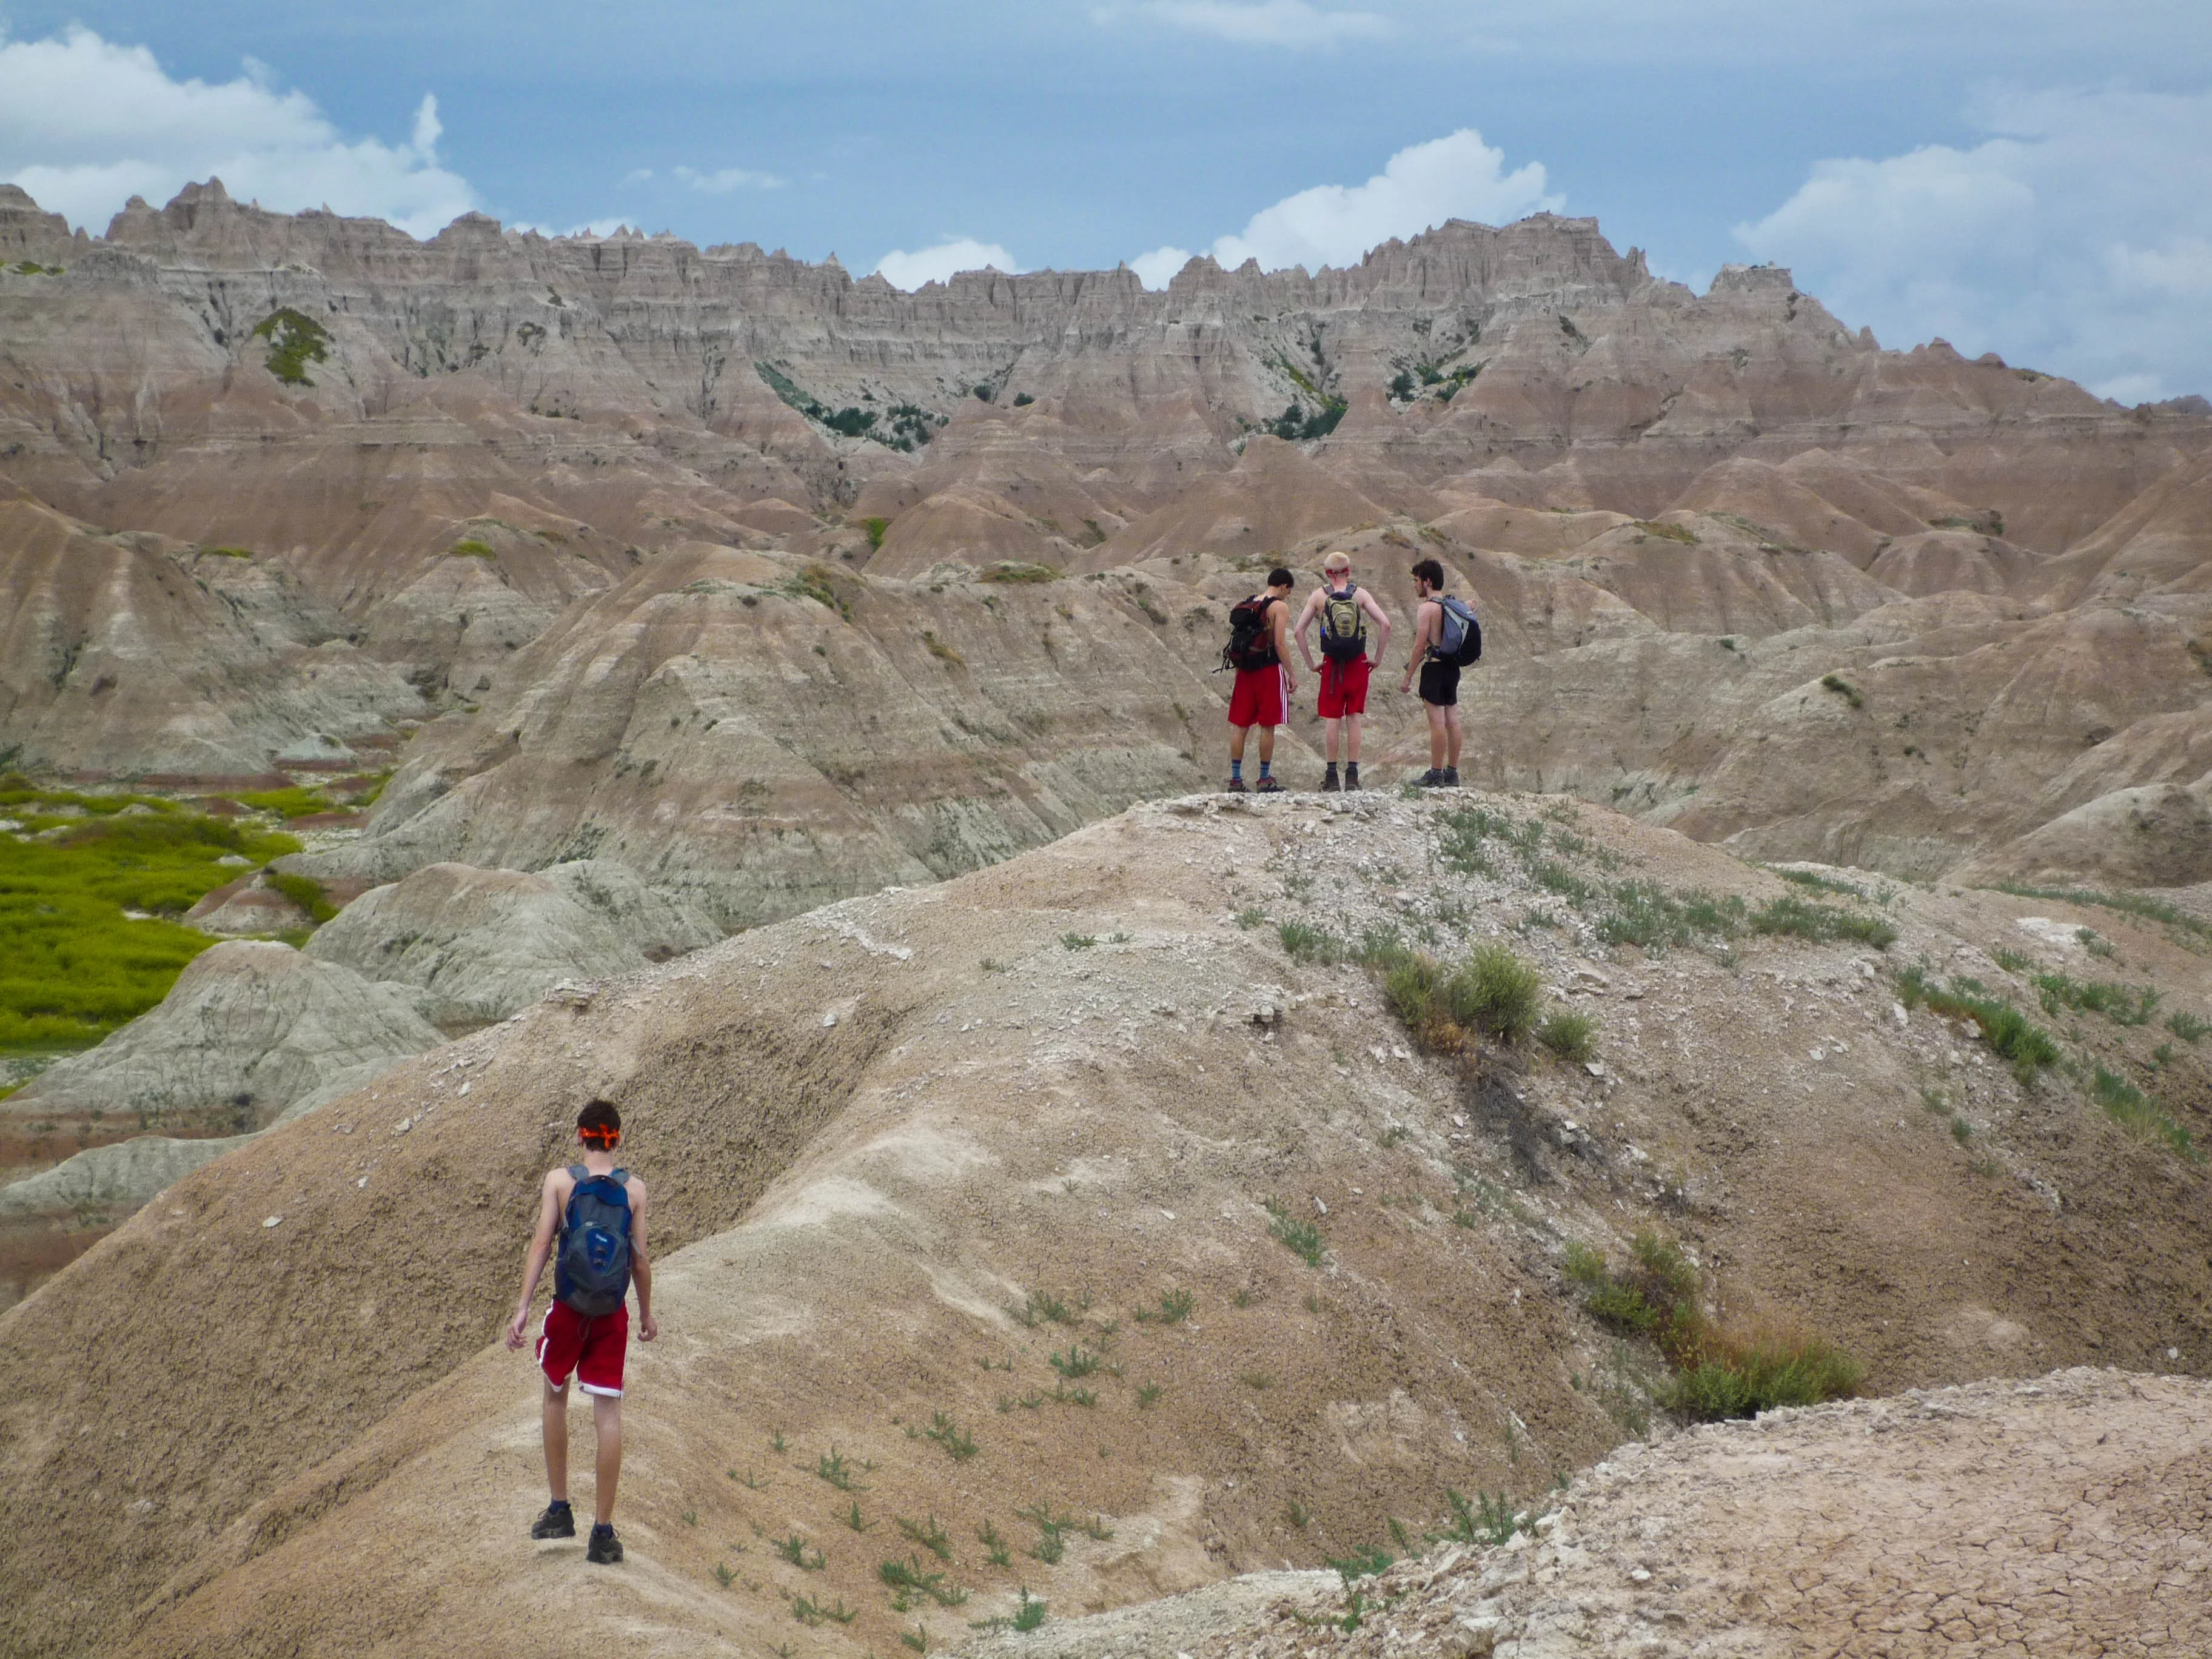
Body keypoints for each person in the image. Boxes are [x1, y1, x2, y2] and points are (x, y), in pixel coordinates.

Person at [506, 1098, 658, 1564]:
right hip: (611, 1314)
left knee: (555, 1395)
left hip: (569, 1309)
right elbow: (639, 1260)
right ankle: (603, 1533)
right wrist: (647, 1314)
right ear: (617, 1137)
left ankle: (559, 1509)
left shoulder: (559, 1182)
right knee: (608, 1414)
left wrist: (524, 1306)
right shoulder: (635, 1191)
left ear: (580, 1135)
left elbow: (542, 1243)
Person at [1292, 550, 1392, 791]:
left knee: (1333, 720)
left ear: (1327, 573)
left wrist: (1311, 664)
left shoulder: (1318, 596)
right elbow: (1386, 624)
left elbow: (1298, 632)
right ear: (1348, 571)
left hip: (1332, 666)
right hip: (1358, 664)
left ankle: (1331, 776)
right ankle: (1353, 777)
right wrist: (1376, 659)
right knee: (1354, 718)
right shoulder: (1361, 595)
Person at [1224, 566, 1298, 793]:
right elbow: (1279, 644)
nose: (1288, 595)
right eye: (1289, 591)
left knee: (1241, 726)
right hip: (1268, 670)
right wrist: (1292, 673)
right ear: (1284, 586)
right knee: (1268, 726)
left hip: (1245, 670)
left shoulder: (1250, 604)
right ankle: (1264, 780)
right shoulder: (1279, 607)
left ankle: (1236, 781)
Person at [1399, 558, 1463, 787]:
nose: (1415, 585)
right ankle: (1452, 773)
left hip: (1434, 668)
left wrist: (1408, 677)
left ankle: (1436, 773)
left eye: (1416, 580)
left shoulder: (1427, 608)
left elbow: (1419, 646)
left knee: (1437, 723)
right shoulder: (1452, 606)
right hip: (1452, 668)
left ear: (1427, 582)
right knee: (1453, 721)